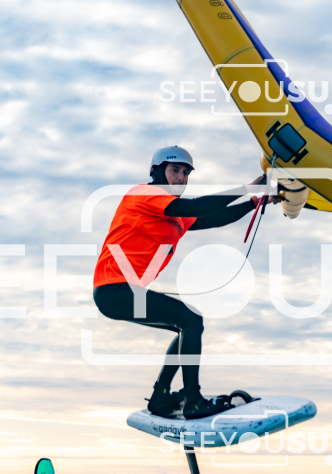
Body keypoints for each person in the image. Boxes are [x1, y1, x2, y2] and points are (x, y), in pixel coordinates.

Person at [93, 145, 280, 419]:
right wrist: (251, 188)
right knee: (191, 319)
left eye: (185, 173)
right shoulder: (144, 194)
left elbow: (215, 217)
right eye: (174, 171)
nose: (181, 178)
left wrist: (257, 201)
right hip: (114, 289)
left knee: (186, 325)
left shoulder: (174, 214)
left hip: (122, 292)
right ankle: (193, 401)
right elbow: (197, 206)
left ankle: (161, 397)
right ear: (156, 172)